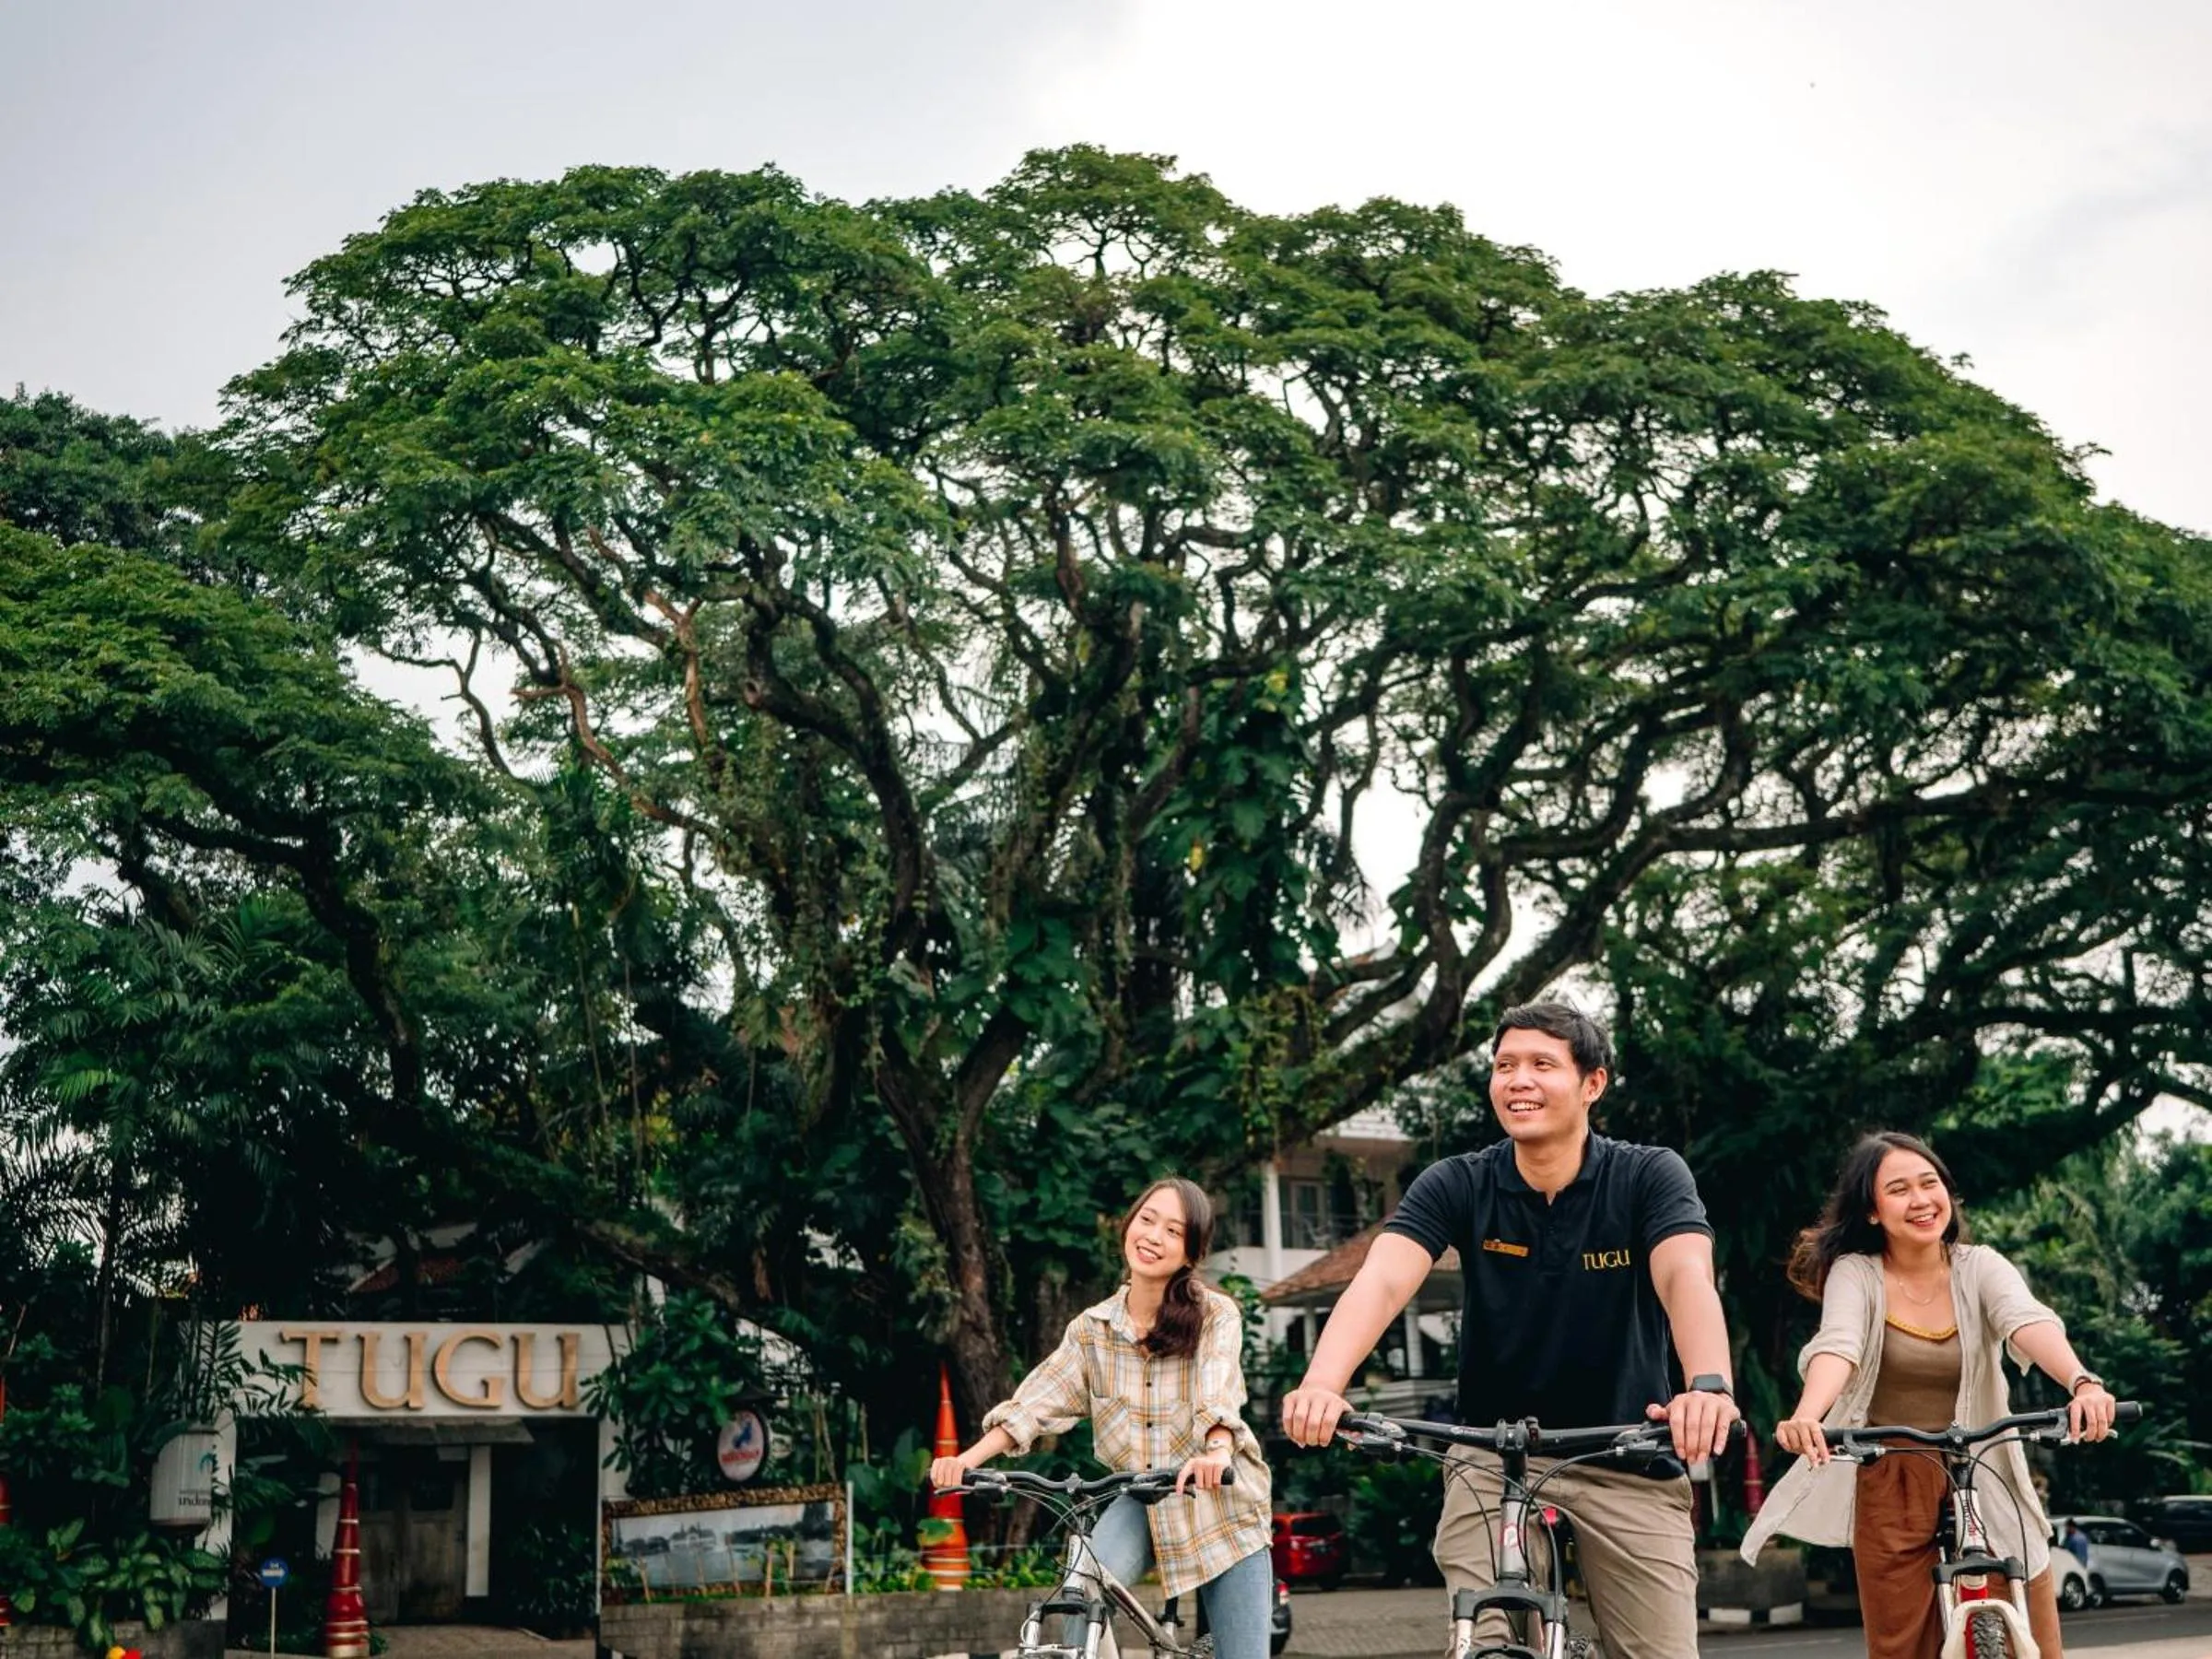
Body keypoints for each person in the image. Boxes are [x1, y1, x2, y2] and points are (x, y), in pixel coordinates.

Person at [1279, 1001, 1739, 1659]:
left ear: (1593, 1084)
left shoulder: (1647, 1175)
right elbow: (1381, 1282)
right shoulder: (1458, 1183)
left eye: (1541, 1065)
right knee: (1485, 1640)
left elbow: (1686, 1277)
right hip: (1491, 1456)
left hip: (1626, 1448)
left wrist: (1709, 1385)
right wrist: (1322, 1383)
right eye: (1504, 1066)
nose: (1517, 1080)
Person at [1741, 1132, 2119, 1659]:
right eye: (1898, 1189)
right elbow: (1839, 1345)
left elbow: (2025, 1319)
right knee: (1902, 1643)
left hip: (1984, 1463)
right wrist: (1808, 1416)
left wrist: (2083, 1382)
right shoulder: (1858, 1274)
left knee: (2026, 1623)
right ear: (1872, 1212)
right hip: (1893, 1473)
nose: (1921, 1200)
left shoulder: (1979, 1266)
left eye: (1930, 1183)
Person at [928, 1177, 1273, 1659]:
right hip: (1141, 1497)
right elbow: (1036, 1404)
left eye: (1173, 1231)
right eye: (1147, 1220)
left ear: (1191, 1253)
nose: (1153, 1236)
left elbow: (1218, 1392)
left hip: (1222, 1507)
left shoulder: (1216, 1315)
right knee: (1079, 1591)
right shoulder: (1091, 1331)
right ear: (1128, 1225)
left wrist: (1216, 1450)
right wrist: (967, 1460)